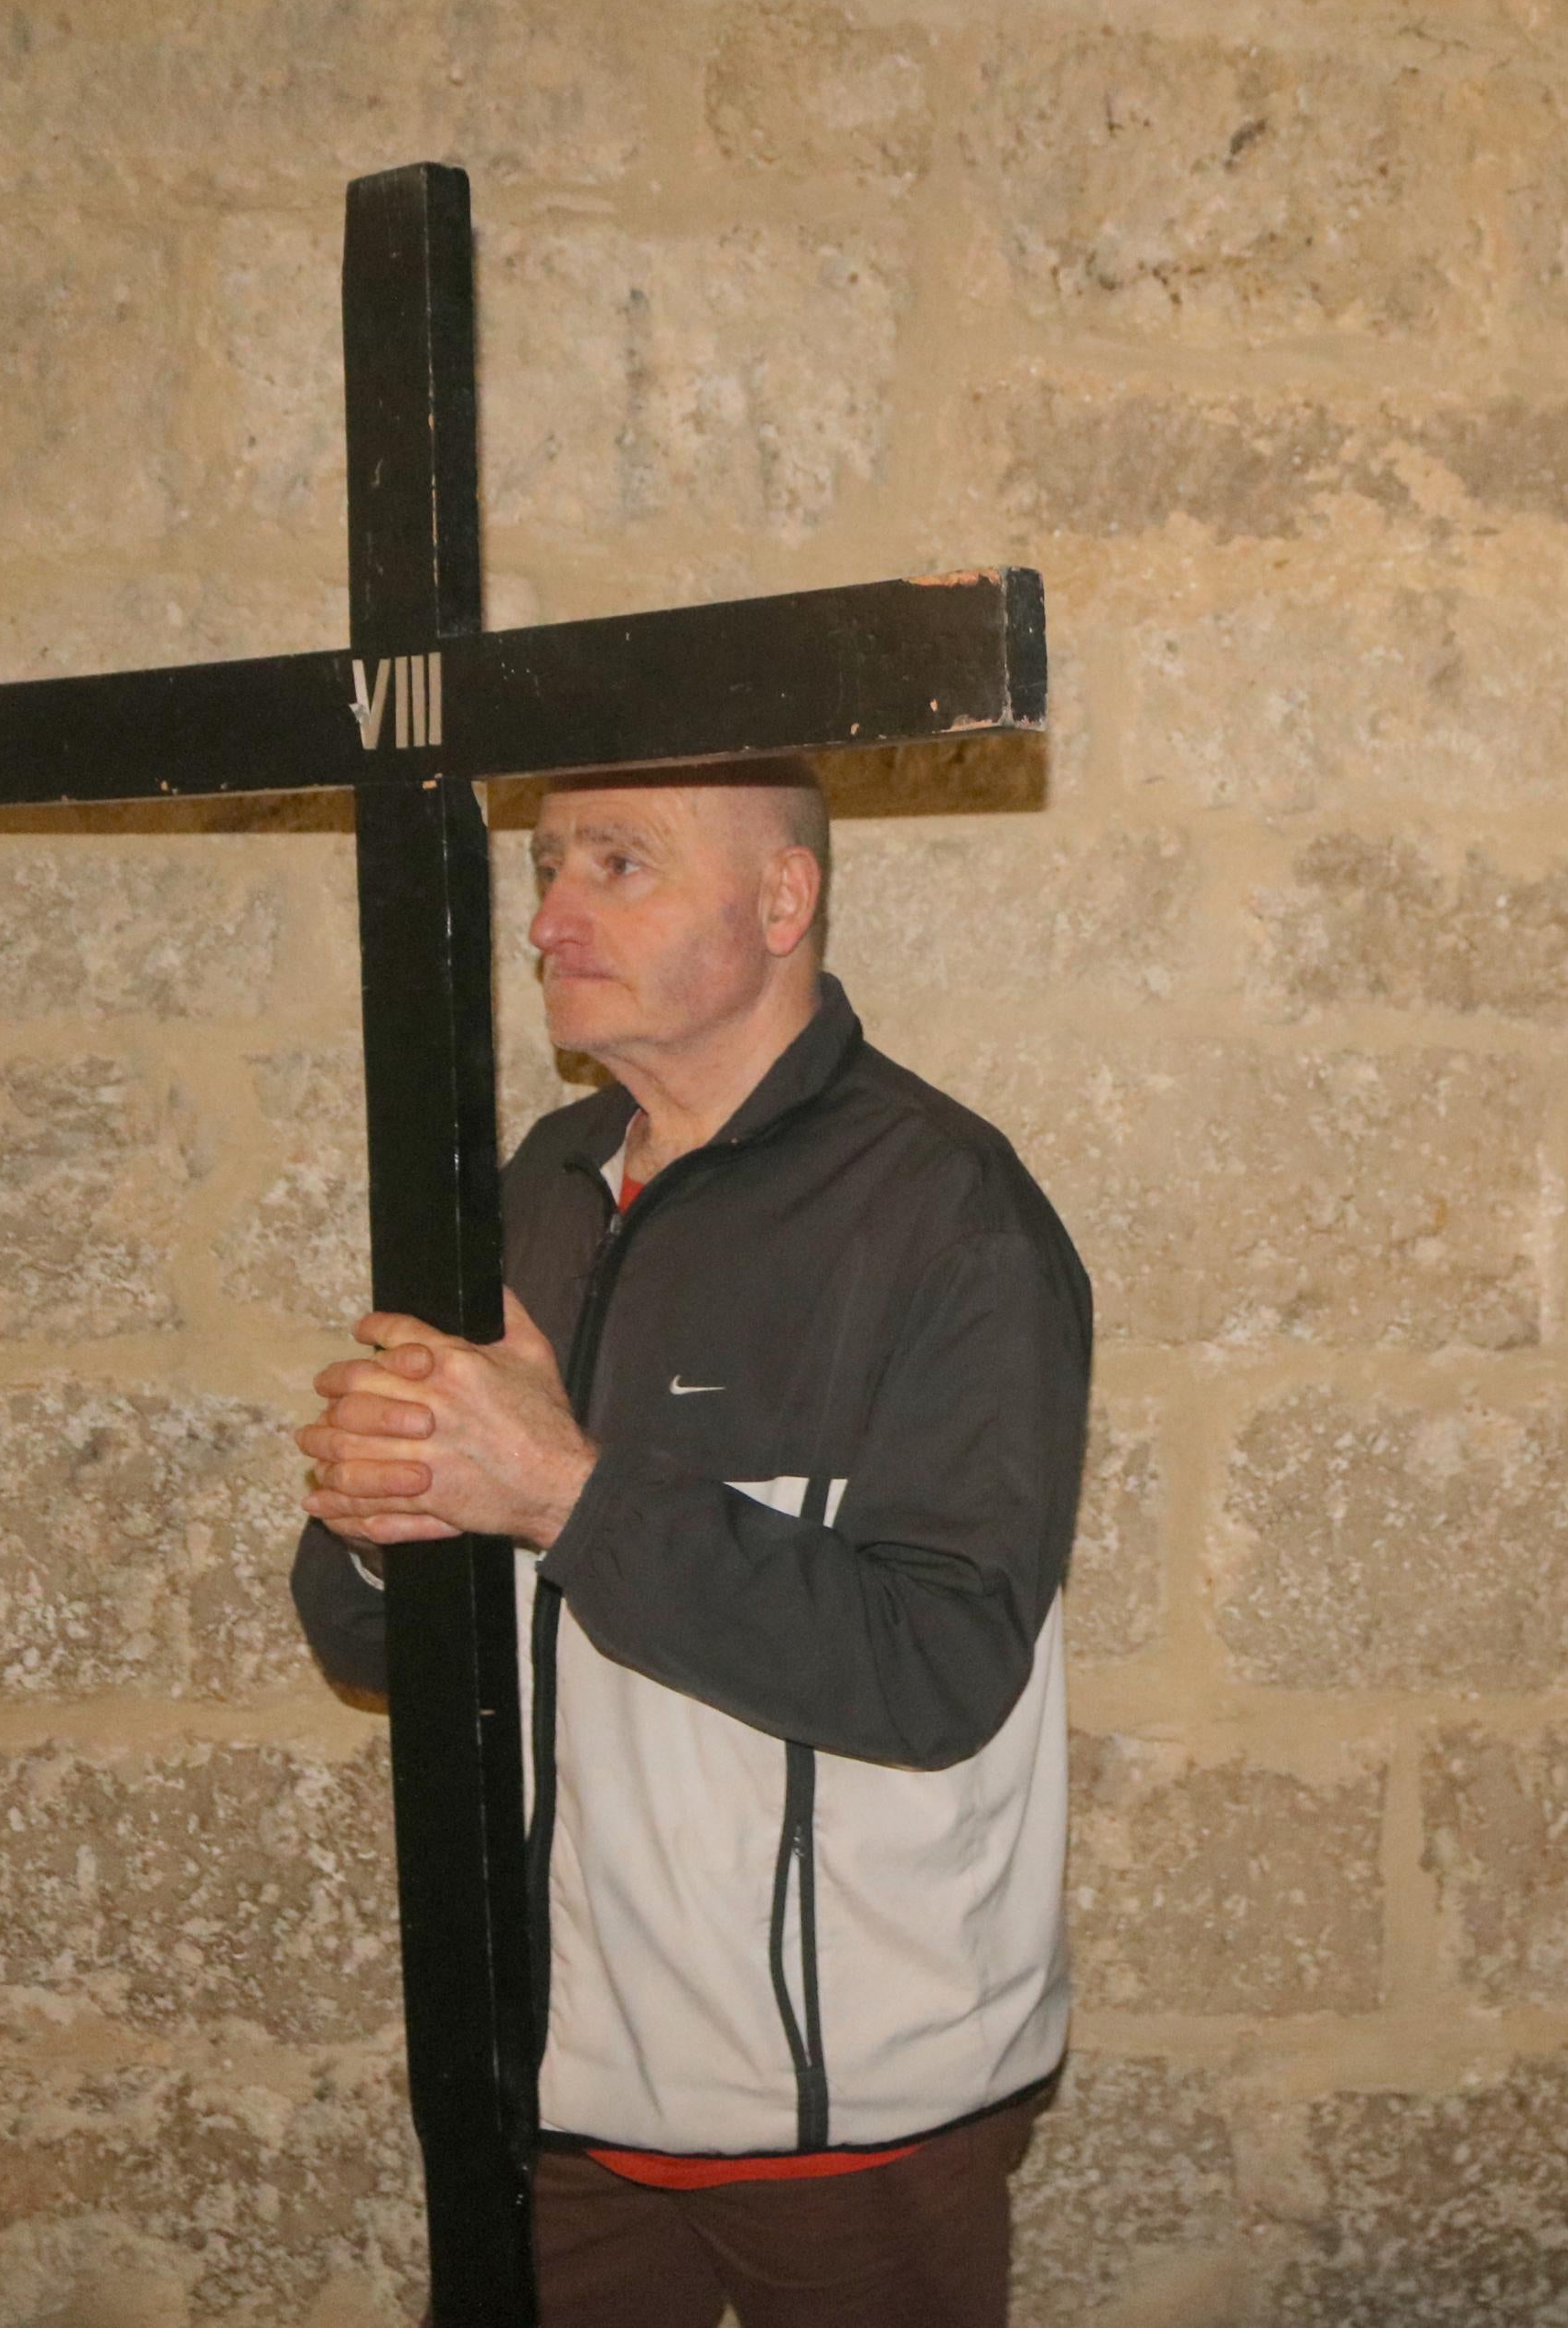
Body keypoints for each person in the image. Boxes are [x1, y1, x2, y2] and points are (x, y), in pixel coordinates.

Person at [287, 760, 1091, 2328]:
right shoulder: (536, 1187)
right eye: (546, 867)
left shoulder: (945, 1212)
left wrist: (564, 1495)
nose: (551, 915)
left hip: (850, 2106)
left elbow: (936, 1669)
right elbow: (386, 1636)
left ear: (782, 901)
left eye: (619, 863)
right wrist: (380, 1532)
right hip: (563, 2078)